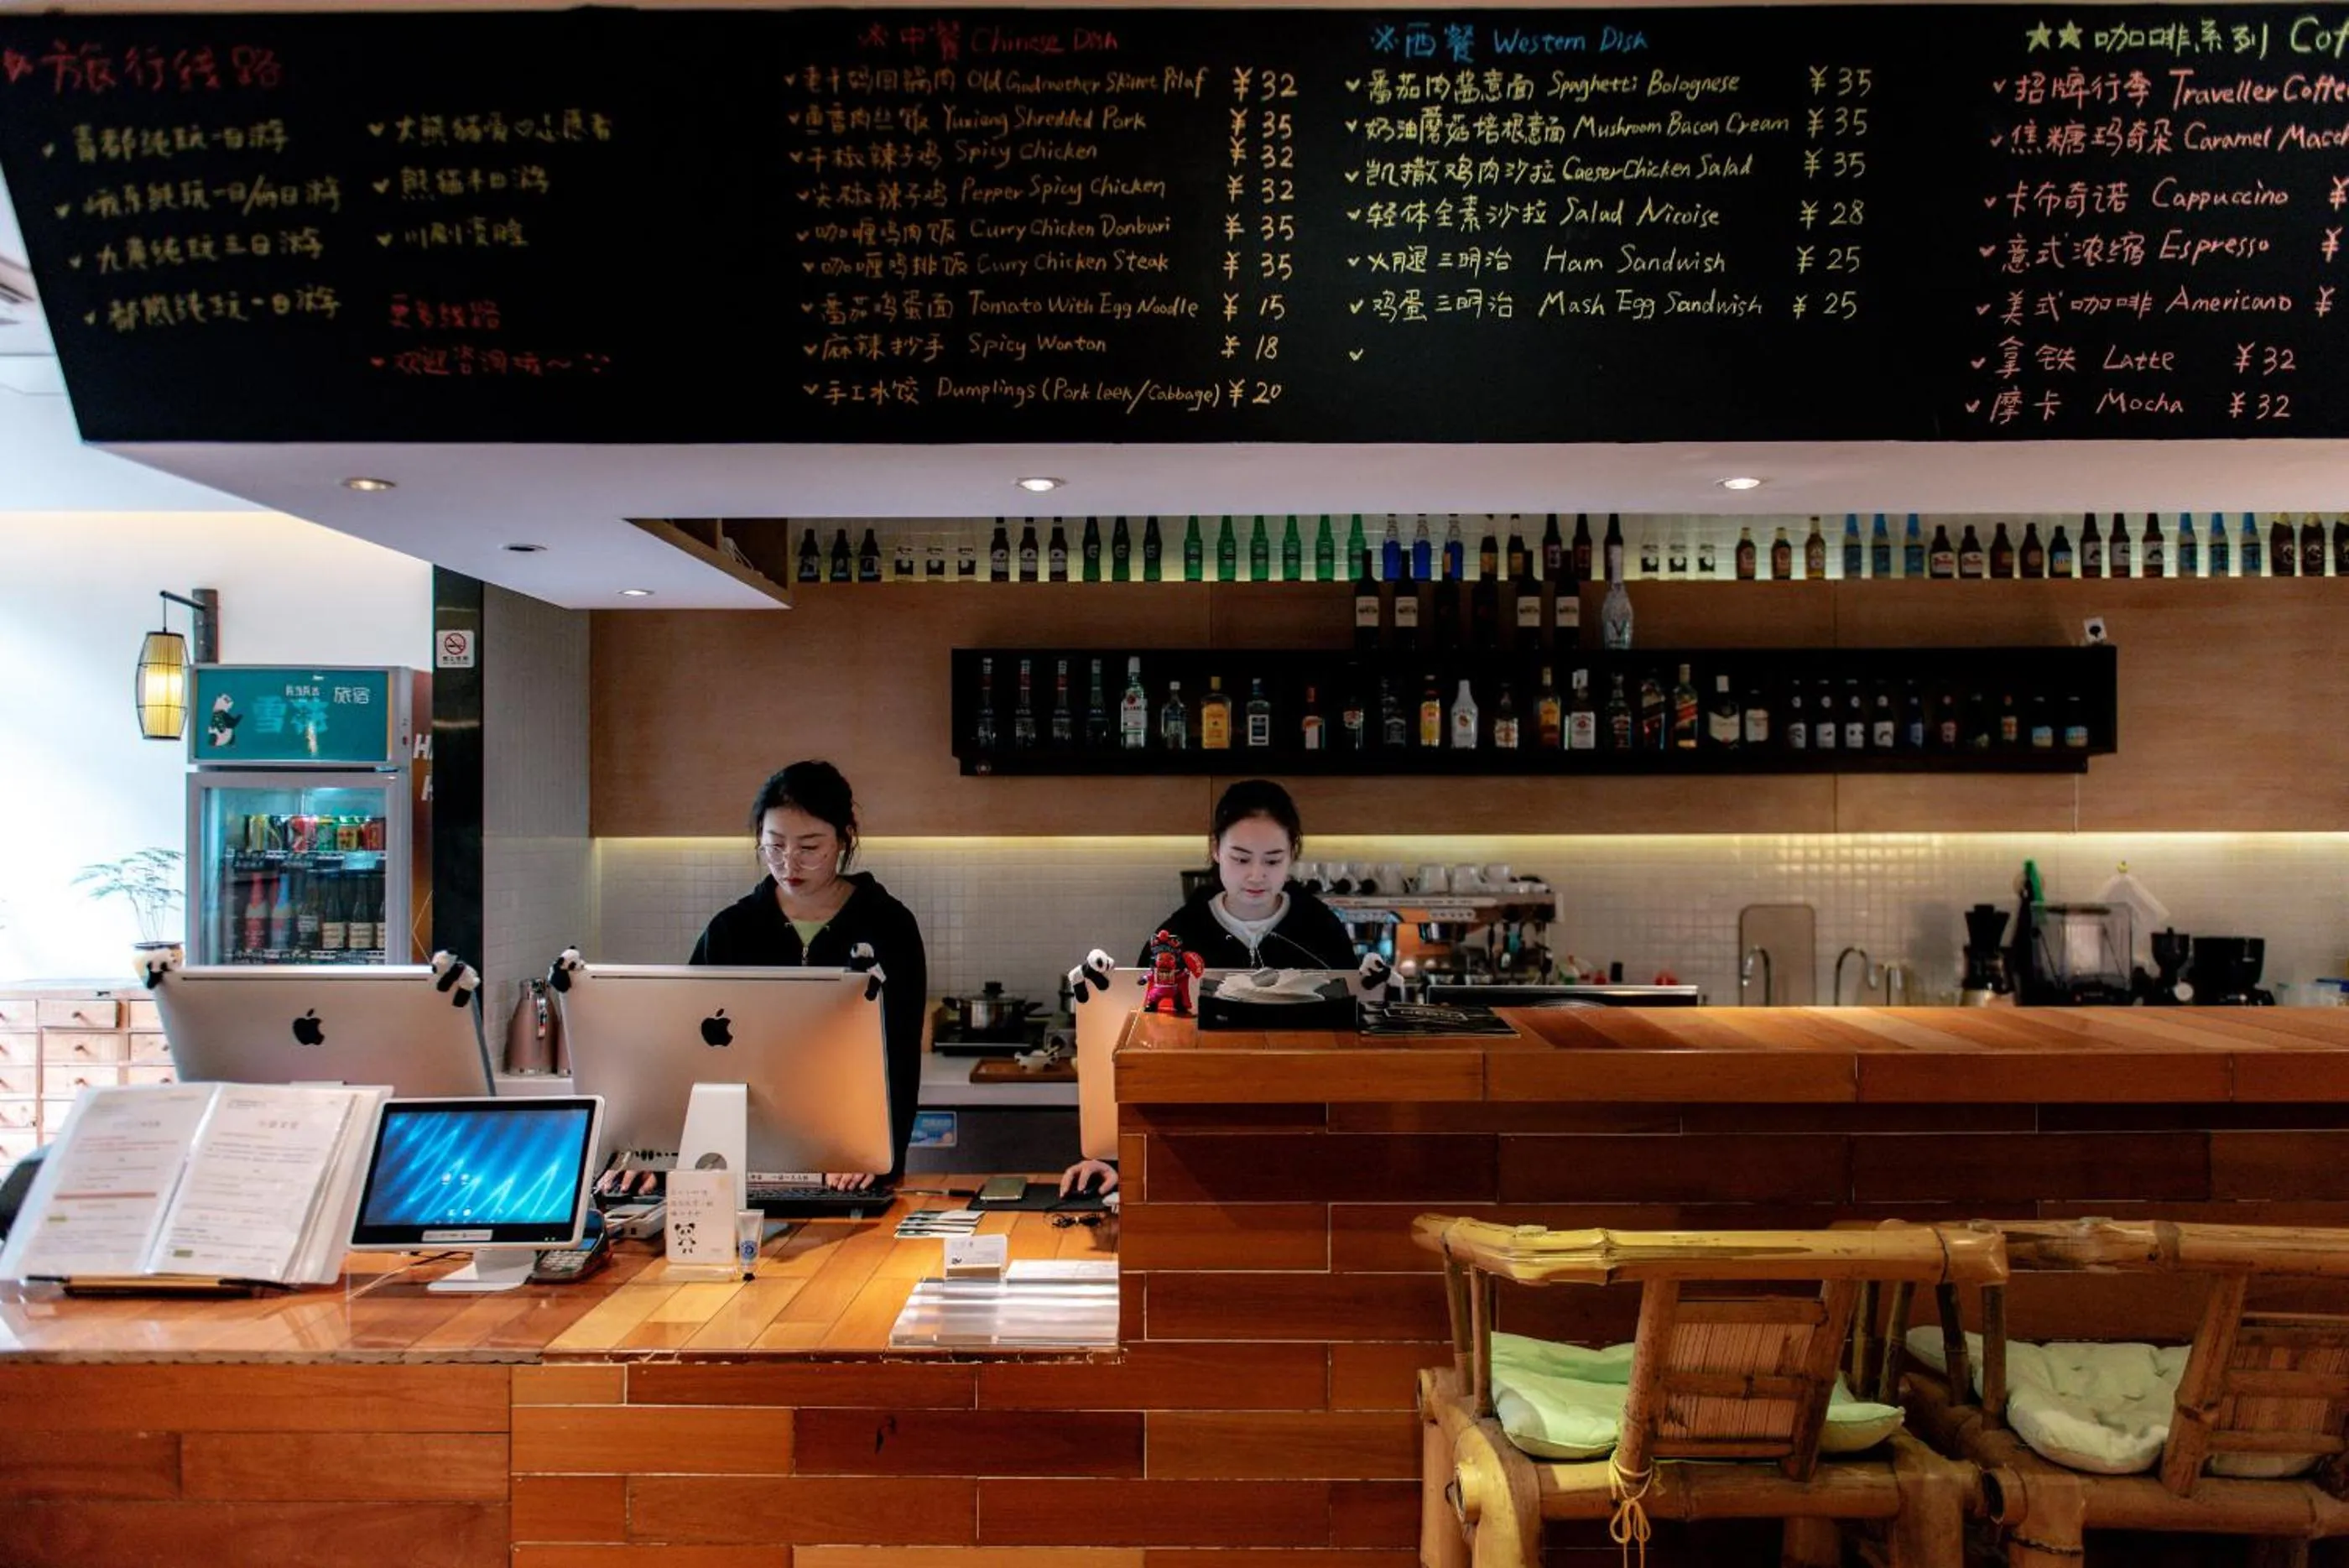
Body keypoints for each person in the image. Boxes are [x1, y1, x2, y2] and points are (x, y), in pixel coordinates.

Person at [1060, 779, 1377, 1199]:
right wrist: (1114, 1154)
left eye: (1273, 860)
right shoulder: (1177, 935)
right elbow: (1135, 1054)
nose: (1256, 875)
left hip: (1306, 1141)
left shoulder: (1321, 931)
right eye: (1241, 858)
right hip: (1192, 1143)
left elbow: (1354, 1050)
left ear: (1293, 855)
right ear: (1215, 850)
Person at [690, 761, 926, 1191]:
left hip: (853, 1157)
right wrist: (661, 1149)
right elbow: (687, 1048)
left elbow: (901, 1057)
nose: (788, 863)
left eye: (809, 847)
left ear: (842, 839)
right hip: (749, 1152)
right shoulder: (731, 930)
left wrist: (878, 1152)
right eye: (774, 846)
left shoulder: (889, 924)